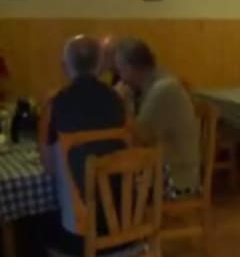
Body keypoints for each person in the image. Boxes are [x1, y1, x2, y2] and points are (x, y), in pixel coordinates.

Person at [44, 35, 128, 255]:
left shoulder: (56, 105)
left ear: (65, 66)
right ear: (100, 67)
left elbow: (49, 168)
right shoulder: (119, 102)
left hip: (80, 236)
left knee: (32, 226)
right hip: (125, 227)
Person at [114, 37, 200, 197]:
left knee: (114, 187)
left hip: (176, 180)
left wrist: (121, 103)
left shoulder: (163, 89)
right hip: (167, 169)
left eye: (120, 70)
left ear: (130, 67)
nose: (120, 78)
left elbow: (139, 138)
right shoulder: (155, 82)